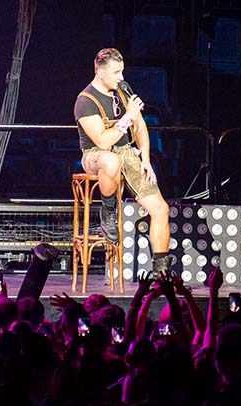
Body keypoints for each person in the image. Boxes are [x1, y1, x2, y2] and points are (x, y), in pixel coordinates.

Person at [73, 47, 171, 275]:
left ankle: (161, 272)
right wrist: (127, 116)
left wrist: (145, 158)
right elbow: (102, 141)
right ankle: (108, 211)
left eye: (122, 72)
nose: (121, 77)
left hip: (126, 152)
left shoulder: (122, 92)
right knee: (110, 161)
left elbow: (140, 126)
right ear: (100, 72)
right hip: (95, 154)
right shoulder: (85, 101)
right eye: (116, 72)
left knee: (160, 208)